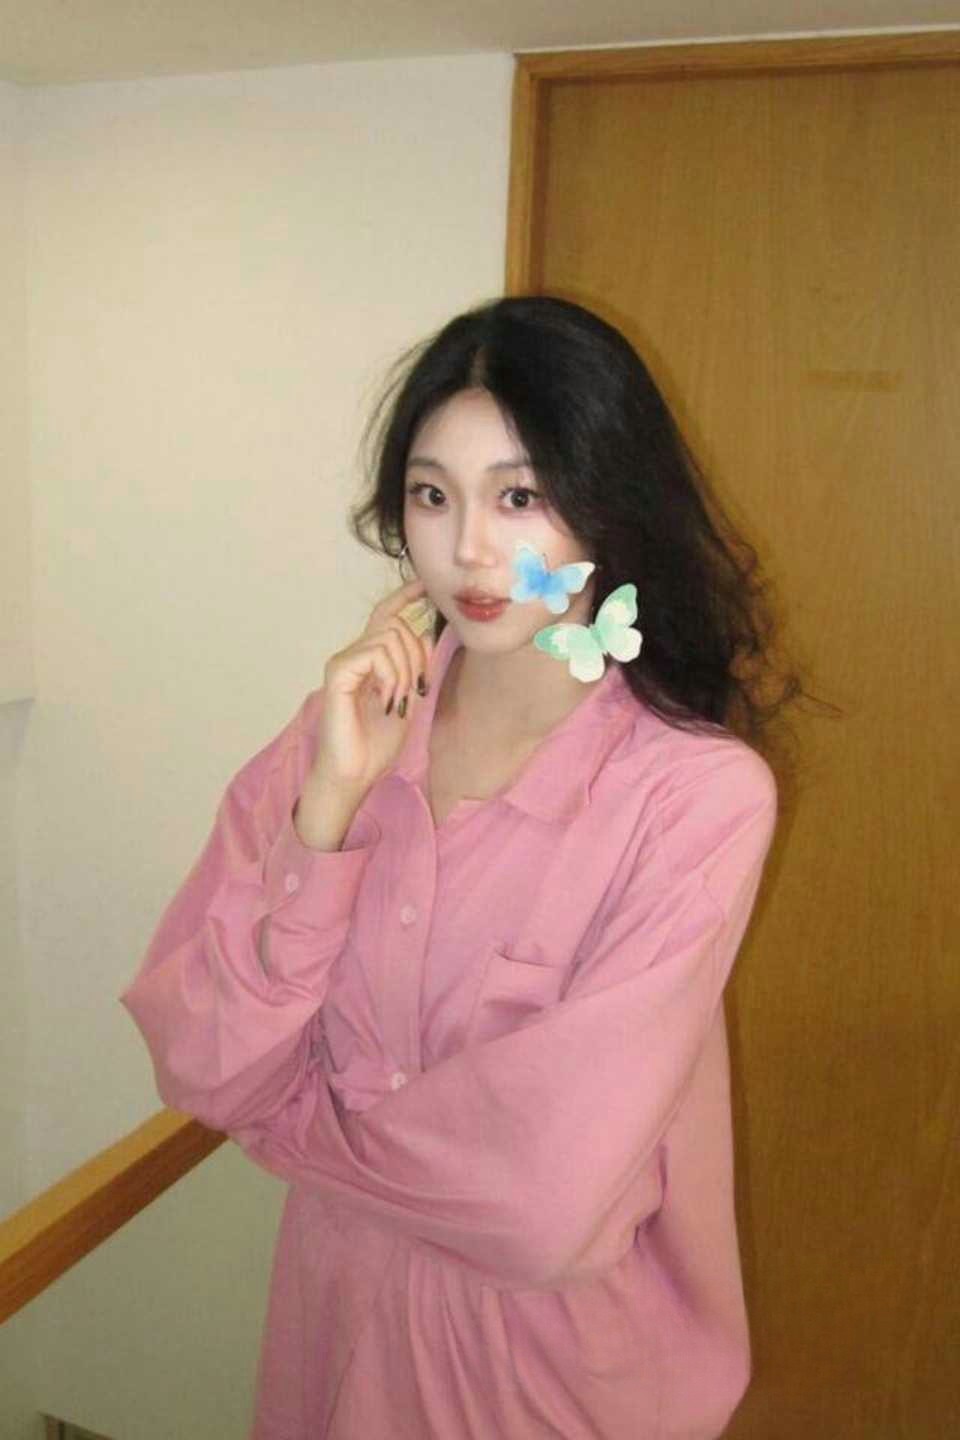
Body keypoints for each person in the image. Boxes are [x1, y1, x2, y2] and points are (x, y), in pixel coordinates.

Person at [120, 295, 800, 1439]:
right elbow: (198, 1060)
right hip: (333, 1322)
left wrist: (290, 1129)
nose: (471, 549)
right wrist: (327, 819)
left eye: (519, 497)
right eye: (432, 496)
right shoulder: (335, 735)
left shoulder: (692, 798)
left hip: (539, 1375)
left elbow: (542, 1206)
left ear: (611, 500)